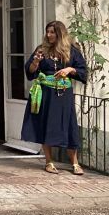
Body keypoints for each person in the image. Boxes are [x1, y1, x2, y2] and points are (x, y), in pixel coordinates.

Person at [21, 20, 88, 175]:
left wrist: (69, 69)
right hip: (46, 94)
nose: (49, 35)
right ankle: (49, 162)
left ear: (60, 34)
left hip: (64, 94)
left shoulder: (71, 51)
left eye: (52, 32)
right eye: (47, 32)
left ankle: (75, 163)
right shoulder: (42, 49)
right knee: (47, 125)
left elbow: (83, 71)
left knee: (69, 125)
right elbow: (30, 72)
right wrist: (36, 62)